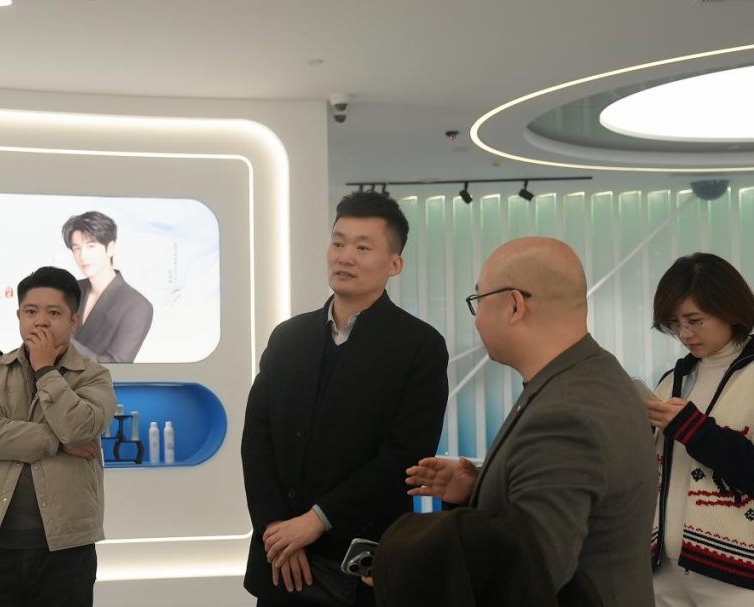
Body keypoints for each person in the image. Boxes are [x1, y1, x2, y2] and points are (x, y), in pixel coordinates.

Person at [406, 237, 656, 607]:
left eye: (478, 301)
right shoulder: (593, 374)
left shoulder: (564, 416)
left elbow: (527, 578)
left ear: (514, 305)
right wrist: (480, 490)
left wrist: (409, 572)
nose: (477, 319)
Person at [241, 191, 450, 607]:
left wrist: (316, 521)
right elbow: (257, 438)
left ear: (394, 264)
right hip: (280, 560)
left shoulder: (419, 346)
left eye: (362, 247)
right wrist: (277, 529)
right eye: (338, 243)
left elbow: (405, 455)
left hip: (360, 561)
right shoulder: (288, 337)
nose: (345, 257)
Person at [0, 266, 115, 607]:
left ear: (73, 322)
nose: (41, 322)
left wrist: (45, 369)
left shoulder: (93, 376)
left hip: (67, 549)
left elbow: (80, 428)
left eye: (54, 313)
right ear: (19, 316)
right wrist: (57, 442)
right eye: (31, 312)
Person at [645, 253, 754, 604]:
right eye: (673, 324)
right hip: (664, 567)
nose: (684, 334)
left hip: (736, 575)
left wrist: (696, 431)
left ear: (731, 309)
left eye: (694, 320)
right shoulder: (673, 380)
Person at [61, 211, 153, 363]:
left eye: (91, 246)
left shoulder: (137, 306)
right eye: (77, 248)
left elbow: (115, 366)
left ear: (110, 248)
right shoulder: (69, 291)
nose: (83, 256)